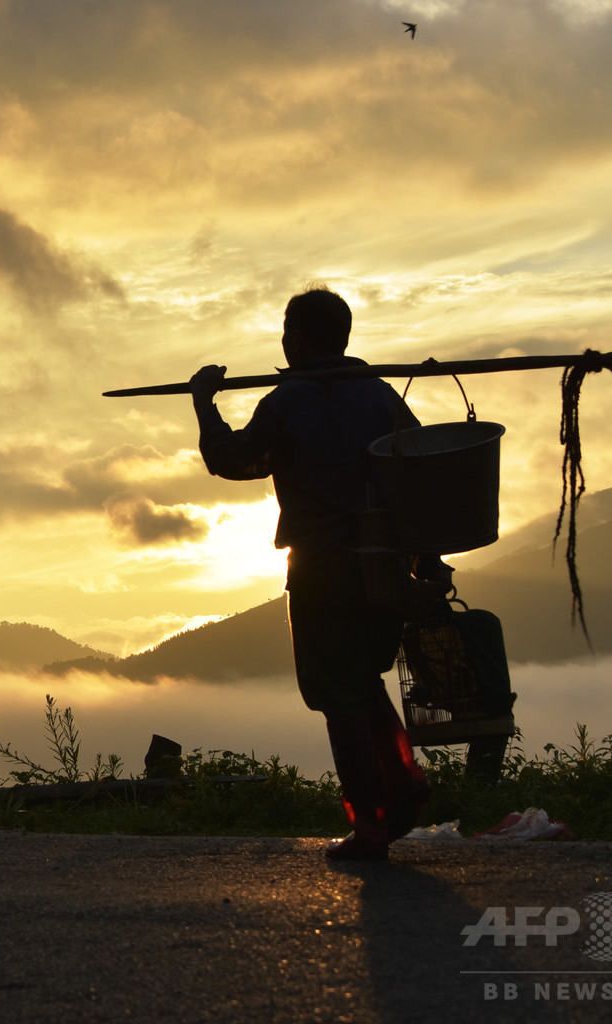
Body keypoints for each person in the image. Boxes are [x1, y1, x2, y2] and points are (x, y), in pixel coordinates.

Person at [189, 286, 452, 860]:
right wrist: (427, 560)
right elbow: (417, 477)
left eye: (288, 331)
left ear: (298, 339)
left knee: (339, 693)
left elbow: (234, 461)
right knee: (361, 680)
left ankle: (374, 825)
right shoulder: (381, 397)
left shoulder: (287, 402)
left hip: (322, 568)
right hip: (385, 569)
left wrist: (204, 402)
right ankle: (403, 790)